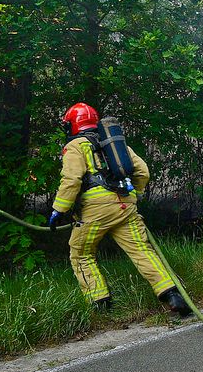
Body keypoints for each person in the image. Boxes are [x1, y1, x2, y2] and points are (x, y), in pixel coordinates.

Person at [50, 103, 190, 316]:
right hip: (125, 206)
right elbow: (142, 171)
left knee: (81, 254)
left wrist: (58, 210)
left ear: (72, 125)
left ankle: (100, 303)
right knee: (142, 250)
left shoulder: (76, 146)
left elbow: (71, 180)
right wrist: (136, 195)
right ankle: (173, 295)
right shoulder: (113, 143)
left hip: (95, 212)